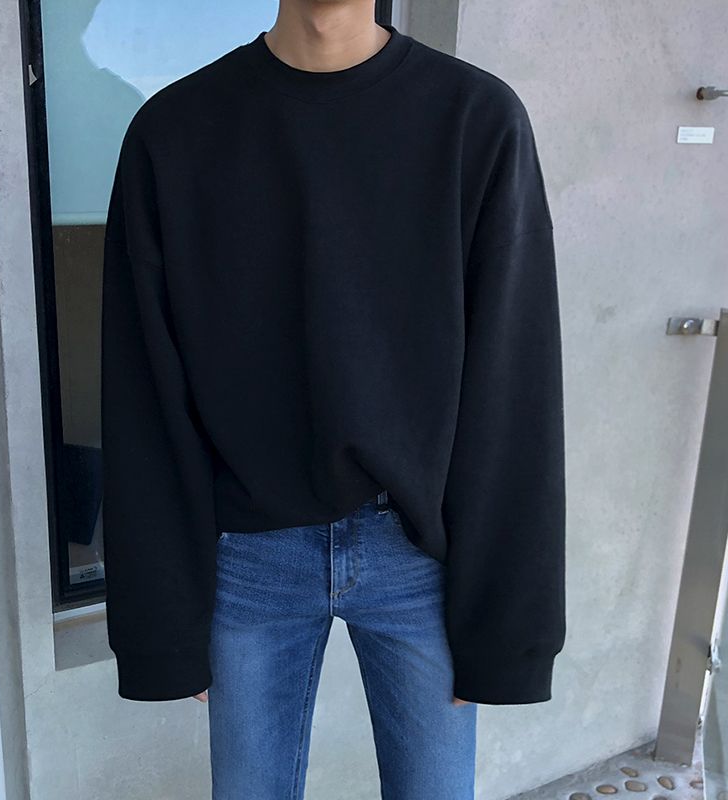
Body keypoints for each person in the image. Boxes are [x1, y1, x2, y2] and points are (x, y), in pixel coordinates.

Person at [100, 2, 566, 798]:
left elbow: (513, 377)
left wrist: (505, 629)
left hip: (418, 549)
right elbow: (143, 390)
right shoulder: (174, 131)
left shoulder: (474, 119)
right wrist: (164, 623)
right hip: (248, 552)